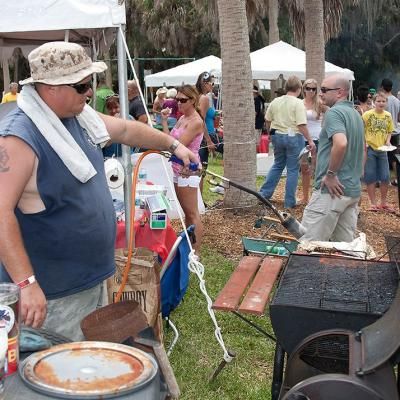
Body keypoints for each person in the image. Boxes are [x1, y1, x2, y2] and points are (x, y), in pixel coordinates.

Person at [0, 41, 197, 341]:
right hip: (53, 296)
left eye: (89, 83)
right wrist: (27, 285)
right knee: (61, 377)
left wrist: (174, 145)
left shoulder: (79, 118)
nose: (90, 92)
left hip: (90, 280)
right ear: (51, 87)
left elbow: (128, 131)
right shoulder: (19, 136)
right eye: (82, 86)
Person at [301, 73, 365, 242]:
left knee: (308, 246)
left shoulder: (334, 113)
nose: (320, 93)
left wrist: (330, 175)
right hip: (351, 191)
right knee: (343, 252)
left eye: (324, 90)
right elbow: (363, 149)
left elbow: (341, 143)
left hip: (331, 191)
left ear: (339, 92)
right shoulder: (356, 115)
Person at [259, 76, 315, 209]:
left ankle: (264, 194)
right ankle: (289, 202)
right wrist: (310, 140)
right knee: (292, 169)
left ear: (286, 88)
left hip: (277, 135)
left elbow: (267, 119)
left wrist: (270, 133)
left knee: (277, 165)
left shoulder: (275, 101)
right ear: (299, 89)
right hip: (293, 137)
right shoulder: (298, 104)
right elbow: (301, 125)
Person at [160, 85, 204, 253]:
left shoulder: (195, 121)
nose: (178, 103)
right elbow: (169, 140)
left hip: (188, 170)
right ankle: (188, 248)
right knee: (187, 213)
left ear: (193, 101)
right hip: (178, 169)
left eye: (182, 100)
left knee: (192, 213)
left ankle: (195, 251)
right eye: (177, 99)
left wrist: (167, 144)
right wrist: (164, 121)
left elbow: (177, 145)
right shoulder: (182, 118)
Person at [363, 92, 395, 212]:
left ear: (386, 103)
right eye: (378, 101)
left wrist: (388, 141)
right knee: (370, 176)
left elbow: (389, 131)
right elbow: (362, 128)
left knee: (385, 176)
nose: (381, 103)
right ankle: (372, 203)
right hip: (370, 148)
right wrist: (364, 141)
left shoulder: (388, 116)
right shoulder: (367, 115)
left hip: (383, 149)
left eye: (383, 101)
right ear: (374, 102)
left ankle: (383, 202)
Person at [300, 79, 329, 204]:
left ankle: (317, 196)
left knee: (317, 168)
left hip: (318, 139)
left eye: (313, 89)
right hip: (302, 139)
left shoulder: (320, 104)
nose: (311, 91)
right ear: (304, 89)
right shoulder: (300, 104)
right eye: (308, 88)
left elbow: (331, 113)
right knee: (305, 168)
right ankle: (305, 197)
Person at [195, 71, 219, 193]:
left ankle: (200, 200)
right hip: (205, 136)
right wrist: (209, 140)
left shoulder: (198, 96)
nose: (213, 86)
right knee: (201, 170)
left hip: (204, 135)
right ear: (205, 83)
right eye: (212, 83)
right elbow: (201, 120)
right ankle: (200, 201)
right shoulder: (203, 98)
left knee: (201, 169)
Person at [380, 78, 400, 186]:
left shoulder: (381, 100)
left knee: (383, 156)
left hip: (384, 132)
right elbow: (398, 117)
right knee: (394, 157)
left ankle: (385, 180)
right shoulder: (397, 101)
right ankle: (396, 179)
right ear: (391, 88)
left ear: (382, 87)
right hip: (395, 131)